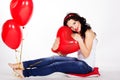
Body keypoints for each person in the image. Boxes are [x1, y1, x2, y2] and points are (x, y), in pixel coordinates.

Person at [8, 12, 97, 78]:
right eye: (71, 27)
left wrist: (80, 40)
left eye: (74, 23)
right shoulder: (76, 34)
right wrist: (56, 47)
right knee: (53, 59)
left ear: (79, 20)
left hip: (86, 66)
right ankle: (22, 65)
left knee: (56, 66)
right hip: (78, 61)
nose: (74, 27)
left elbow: (86, 54)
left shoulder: (88, 32)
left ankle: (25, 73)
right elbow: (64, 54)